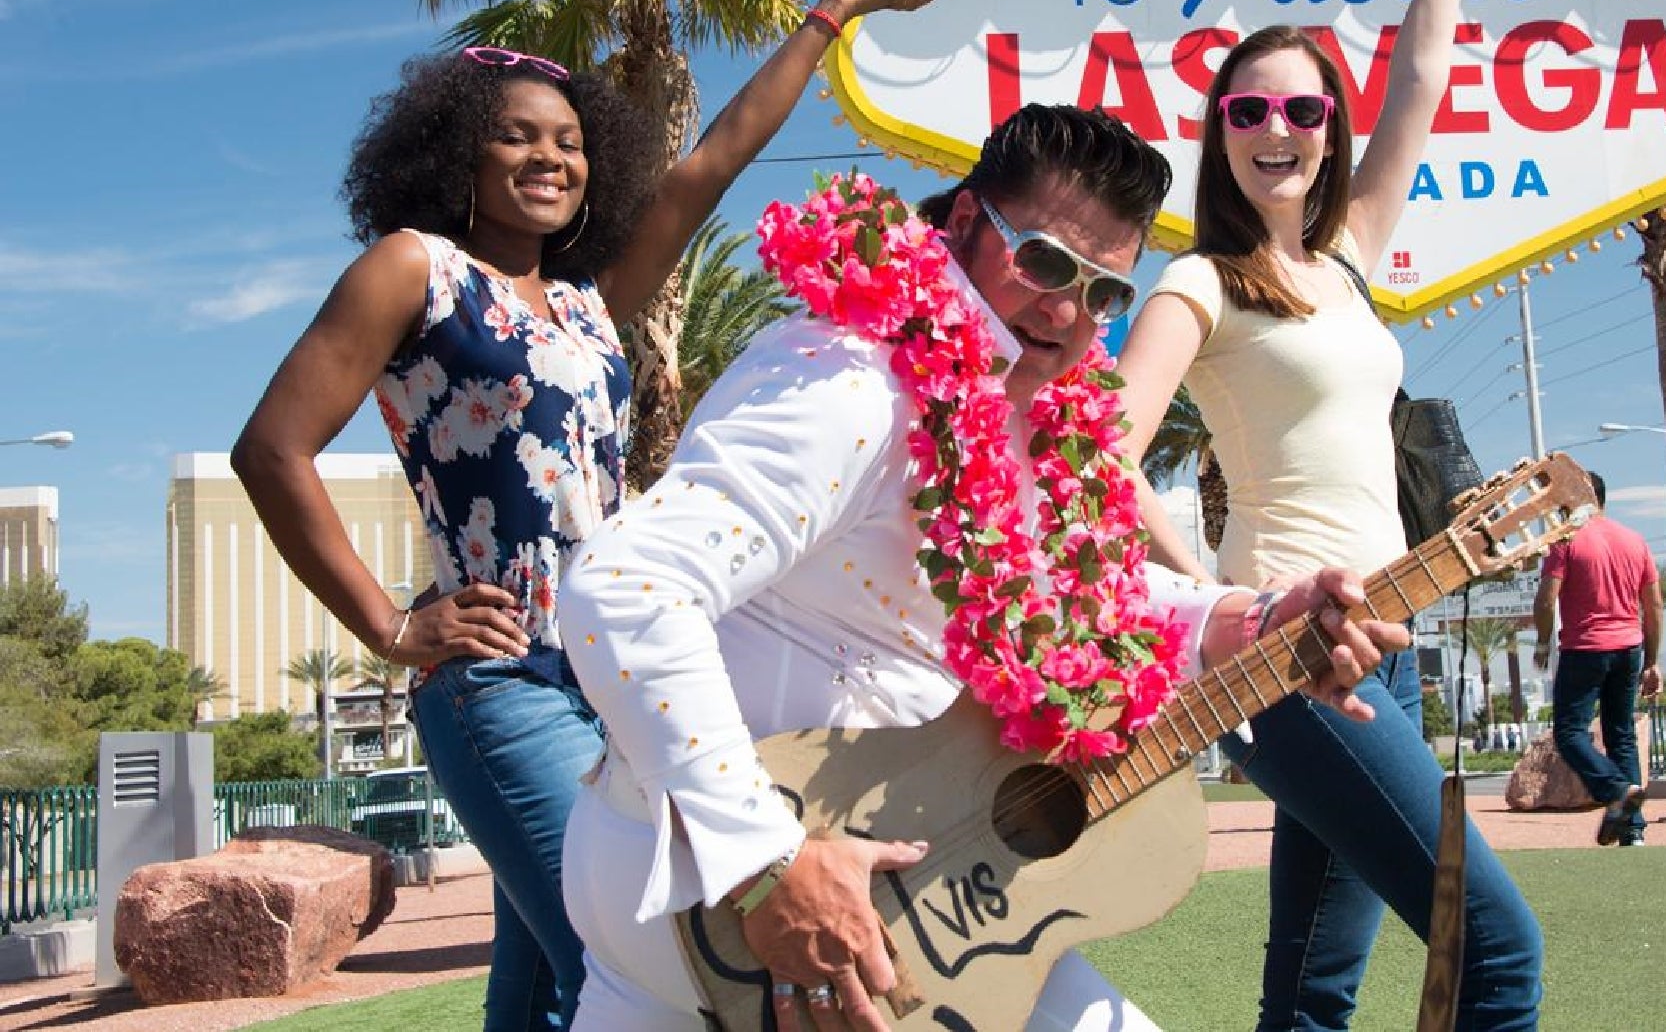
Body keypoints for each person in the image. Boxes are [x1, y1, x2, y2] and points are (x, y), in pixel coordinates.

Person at [555, 104, 1411, 1032]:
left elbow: (1089, 598)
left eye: (1106, 294)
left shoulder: (1035, 419)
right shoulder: (850, 378)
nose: (1068, 310)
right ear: (963, 224)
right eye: (1043, 262)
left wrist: (1248, 619)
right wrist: (767, 861)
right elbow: (627, 585)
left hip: (900, 888)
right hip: (715, 887)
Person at [230, 0, 943, 1031]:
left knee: (543, 990)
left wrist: (826, 17)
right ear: (458, 154)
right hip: (504, 680)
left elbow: (710, 165)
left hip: (616, 674)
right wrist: (389, 625)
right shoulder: (413, 270)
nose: (548, 160)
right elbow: (271, 451)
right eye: (515, 138)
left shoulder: (586, 301)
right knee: (638, 962)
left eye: (567, 142)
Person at [1113, 0, 1546, 1031]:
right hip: (1290, 658)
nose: (1274, 128)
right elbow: (1095, 448)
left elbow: (1419, 81)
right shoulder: (1199, 280)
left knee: (1310, 992)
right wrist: (1207, 593)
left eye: (1301, 108)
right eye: (1245, 109)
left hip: (1388, 644)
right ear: (1221, 135)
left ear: (1327, 132)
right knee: (1496, 952)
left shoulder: (1347, 258)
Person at [1532, 471, 1663, 847]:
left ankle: (1616, 790)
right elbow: (1653, 605)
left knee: (1570, 733)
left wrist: (1542, 642)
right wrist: (1651, 660)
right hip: (1629, 649)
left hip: (1585, 649)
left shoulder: (1566, 538)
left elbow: (1546, 598)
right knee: (1621, 734)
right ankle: (1632, 829)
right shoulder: (1634, 540)